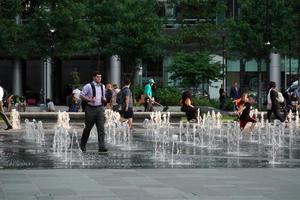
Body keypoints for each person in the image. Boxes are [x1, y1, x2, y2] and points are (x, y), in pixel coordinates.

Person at [80, 71, 107, 152]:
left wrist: (104, 99)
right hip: (90, 109)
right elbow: (81, 95)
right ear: (94, 77)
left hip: (100, 109)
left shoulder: (103, 86)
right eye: (98, 77)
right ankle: (82, 145)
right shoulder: (88, 86)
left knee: (101, 128)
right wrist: (89, 99)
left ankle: (101, 146)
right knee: (88, 128)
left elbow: (103, 97)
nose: (99, 78)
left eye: (100, 77)